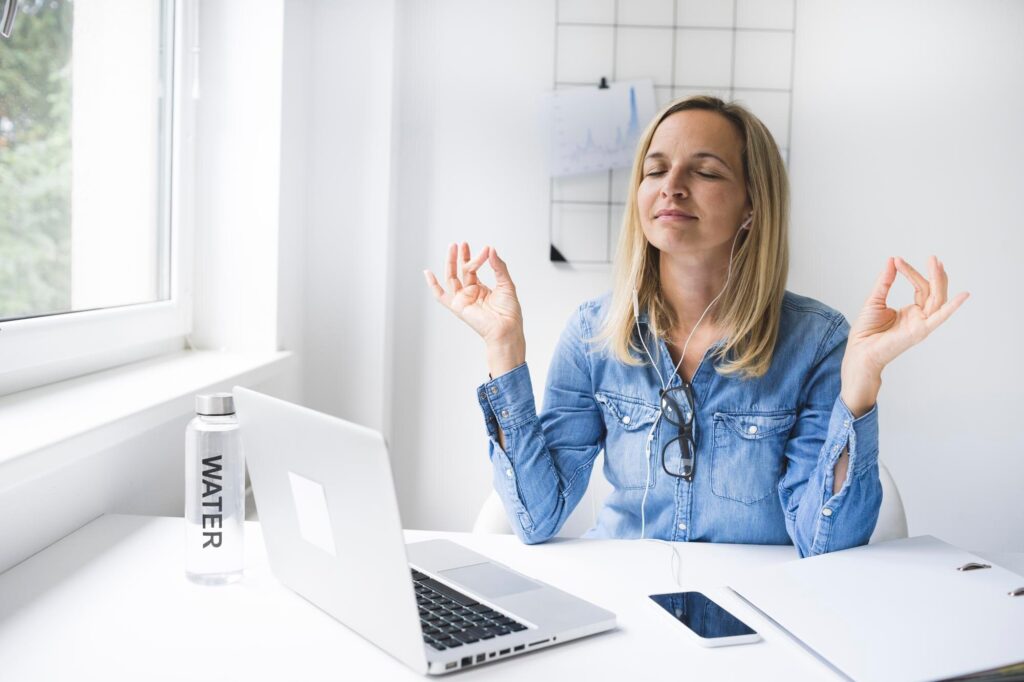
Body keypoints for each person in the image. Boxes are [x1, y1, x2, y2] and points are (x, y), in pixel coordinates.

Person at [423, 96, 968, 557]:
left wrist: (862, 381)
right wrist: (503, 350)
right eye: (655, 170)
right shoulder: (593, 333)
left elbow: (825, 545)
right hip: (623, 605)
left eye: (705, 171)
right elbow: (536, 519)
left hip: (756, 620)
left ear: (753, 205)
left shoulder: (818, 342)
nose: (672, 186)